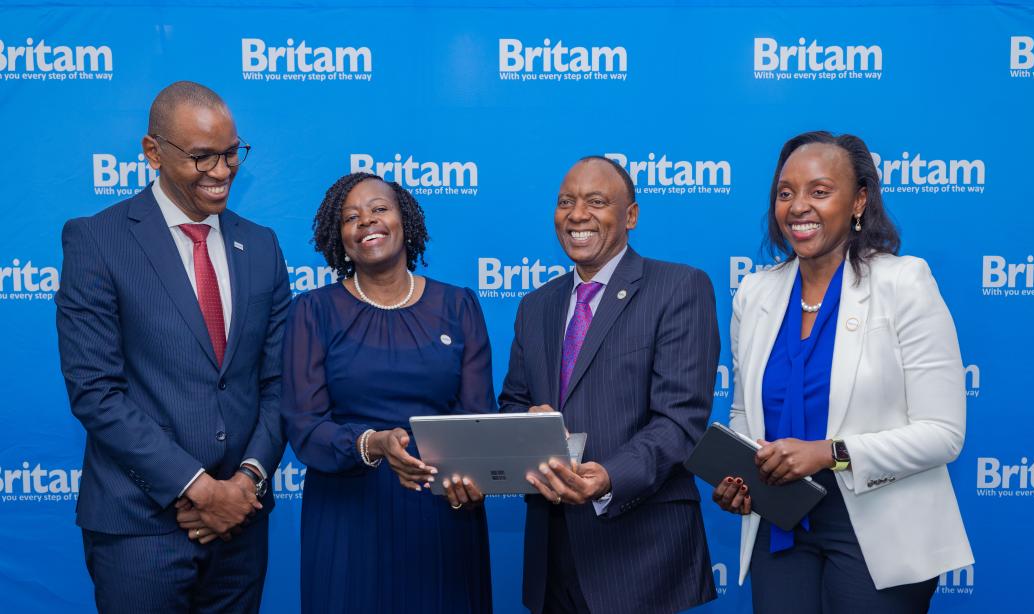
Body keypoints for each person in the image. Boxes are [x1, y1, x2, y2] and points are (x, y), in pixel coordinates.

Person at [714, 131, 974, 613]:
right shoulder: (754, 293)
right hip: (782, 522)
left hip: (880, 527)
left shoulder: (903, 282)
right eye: (785, 192)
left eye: (819, 191)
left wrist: (829, 453)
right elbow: (745, 415)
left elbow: (944, 434)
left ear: (859, 200)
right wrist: (742, 477)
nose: (798, 207)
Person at [55, 81, 290, 613]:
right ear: (153, 152)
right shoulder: (97, 240)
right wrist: (198, 489)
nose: (223, 171)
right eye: (202, 157)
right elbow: (95, 391)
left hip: (240, 523)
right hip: (139, 526)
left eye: (232, 153)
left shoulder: (261, 245)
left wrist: (245, 482)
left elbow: (277, 383)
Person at [499, 156, 719, 614]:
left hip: (640, 553)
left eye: (596, 202)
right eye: (566, 203)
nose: (577, 215)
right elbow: (513, 405)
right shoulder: (534, 306)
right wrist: (523, 428)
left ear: (631, 216)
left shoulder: (679, 287)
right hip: (553, 555)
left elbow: (681, 422)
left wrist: (609, 477)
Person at [282, 171, 495, 614]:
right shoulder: (312, 312)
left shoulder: (458, 306)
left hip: (441, 514)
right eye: (350, 217)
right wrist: (371, 443)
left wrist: (472, 476)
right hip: (348, 514)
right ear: (337, 236)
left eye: (379, 209)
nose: (366, 222)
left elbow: (478, 419)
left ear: (405, 221)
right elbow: (304, 426)